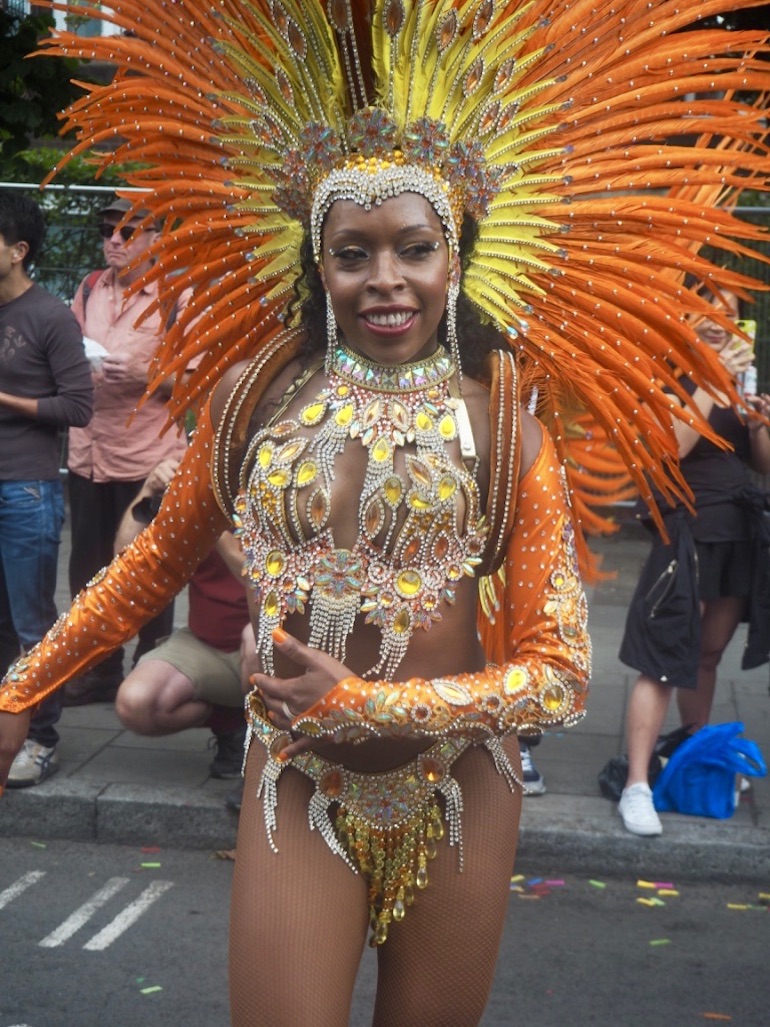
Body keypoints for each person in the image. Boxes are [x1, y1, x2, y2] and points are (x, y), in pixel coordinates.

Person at [1, 3, 770, 1025]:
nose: (384, 280)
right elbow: (141, 574)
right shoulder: (249, 403)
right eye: (352, 251)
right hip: (296, 780)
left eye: (411, 247)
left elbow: (555, 674)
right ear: (315, 261)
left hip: (462, 787)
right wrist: (19, 695)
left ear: (455, 257)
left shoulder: (506, 433)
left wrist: (366, 705)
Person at [618, 285, 770, 836]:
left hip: (736, 529)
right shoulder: (665, 374)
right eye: (707, 312)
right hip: (684, 529)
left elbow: (762, 465)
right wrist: (707, 379)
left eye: (728, 315)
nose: (718, 322)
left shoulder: (737, 379)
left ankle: (693, 749)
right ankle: (637, 784)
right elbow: (674, 445)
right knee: (664, 656)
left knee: (707, 655)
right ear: (683, 317)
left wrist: (757, 422)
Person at [63, 197, 190, 706]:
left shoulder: (177, 295)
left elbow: (202, 379)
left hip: (147, 459)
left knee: (145, 570)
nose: (115, 239)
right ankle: (97, 670)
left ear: (156, 238)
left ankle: (149, 665)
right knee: (87, 568)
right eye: (107, 229)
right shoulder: (90, 287)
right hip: (88, 451)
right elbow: (64, 349)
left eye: (129, 231)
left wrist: (147, 377)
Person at [0, 190, 93, 787]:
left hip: (26, 489)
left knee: (32, 623)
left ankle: (42, 736)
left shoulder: (51, 316)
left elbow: (79, 406)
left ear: (17, 251)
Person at [112, 459, 250, 781]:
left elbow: (259, 580)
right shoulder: (199, 480)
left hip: (271, 649)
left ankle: (260, 755)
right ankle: (232, 724)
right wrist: (150, 489)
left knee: (254, 640)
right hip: (207, 645)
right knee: (135, 704)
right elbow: (123, 560)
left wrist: (213, 519)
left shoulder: (285, 479)